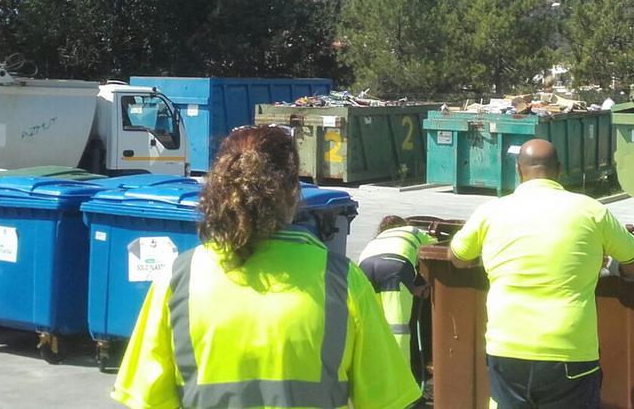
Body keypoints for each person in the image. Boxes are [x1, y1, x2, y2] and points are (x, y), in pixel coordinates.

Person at [112, 125, 421, 409]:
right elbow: (386, 399)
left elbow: (146, 398)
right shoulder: (340, 281)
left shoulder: (179, 278)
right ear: (292, 193)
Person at [448, 139, 634, 409]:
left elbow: (457, 258)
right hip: (569, 350)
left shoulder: (490, 212)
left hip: (506, 348)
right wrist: (608, 264)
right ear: (560, 170)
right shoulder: (592, 211)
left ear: (519, 171)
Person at [358, 215, 437, 368]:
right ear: (403, 225)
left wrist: (413, 289)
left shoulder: (378, 239)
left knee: (373, 324)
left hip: (365, 267)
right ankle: (401, 375)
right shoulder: (413, 231)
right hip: (394, 266)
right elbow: (437, 246)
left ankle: (372, 370)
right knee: (398, 328)